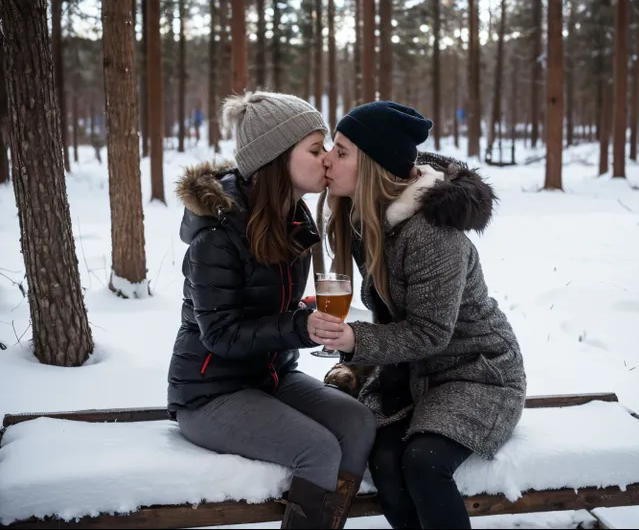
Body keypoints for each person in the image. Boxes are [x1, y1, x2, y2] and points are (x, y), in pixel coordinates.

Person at [166, 91, 376, 530]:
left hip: (271, 377)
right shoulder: (218, 235)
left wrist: (304, 311)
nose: (326, 160)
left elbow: (265, 304)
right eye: (315, 149)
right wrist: (300, 325)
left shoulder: (294, 218)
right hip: (209, 394)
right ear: (277, 157)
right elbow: (221, 334)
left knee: (357, 421)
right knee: (317, 449)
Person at [313, 101, 527, 529]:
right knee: (386, 462)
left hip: (477, 372)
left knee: (424, 463)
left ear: (372, 164)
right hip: (415, 374)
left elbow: (431, 333)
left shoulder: (431, 233)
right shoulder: (363, 216)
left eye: (341, 151)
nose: (327, 160)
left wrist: (356, 341)